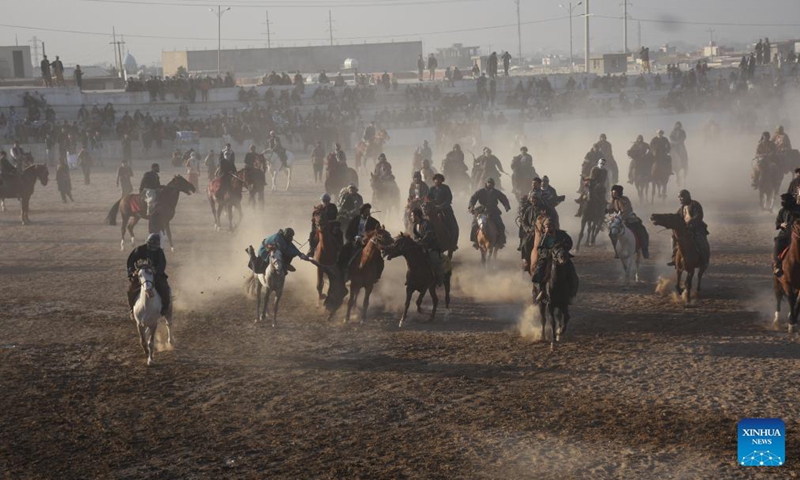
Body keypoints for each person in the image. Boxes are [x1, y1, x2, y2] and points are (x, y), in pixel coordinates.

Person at [532, 217, 575, 302]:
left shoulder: (562, 234)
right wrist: (548, 253)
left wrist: (563, 249)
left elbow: (569, 243)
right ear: (544, 228)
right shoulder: (544, 237)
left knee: (571, 269)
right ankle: (542, 290)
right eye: (547, 226)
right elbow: (540, 249)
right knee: (539, 269)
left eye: (550, 226)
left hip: (561, 256)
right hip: (548, 258)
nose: (549, 228)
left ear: (554, 226)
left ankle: (571, 291)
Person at [126, 233, 171, 316]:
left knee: (165, 289)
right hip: (141, 274)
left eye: (155, 246)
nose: (154, 248)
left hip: (155, 274)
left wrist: (156, 273)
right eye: (152, 245)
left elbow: (162, 264)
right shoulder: (139, 250)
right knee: (130, 290)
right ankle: (132, 308)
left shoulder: (159, 252)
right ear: (148, 243)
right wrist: (131, 273)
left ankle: (165, 308)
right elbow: (130, 261)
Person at [339, 203, 383, 281]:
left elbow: (377, 233)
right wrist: (354, 238)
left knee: (379, 259)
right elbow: (348, 232)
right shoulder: (355, 220)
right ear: (362, 212)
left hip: (368, 244)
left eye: (369, 211)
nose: (368, 213)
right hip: (355, 242)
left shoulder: (374, 222)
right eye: (366, 211)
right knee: (343, 251)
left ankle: (376, 276)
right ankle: (343, 272)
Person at [607, 185, 650, 258]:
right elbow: (611, 209)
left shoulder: (625, 199)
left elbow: (626, 211)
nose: (613, 194)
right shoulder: (613, 201)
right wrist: (607, 210)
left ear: (619, 193)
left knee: (642, 231)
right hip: (619, 221)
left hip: (630, 220)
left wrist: (620, 218)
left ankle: (644, 249)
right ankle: (616, 251)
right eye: (612, 192)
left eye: (614, 192)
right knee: (612, 233)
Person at [668, 190, 709, 267]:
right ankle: (674, 259)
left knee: (701, 241)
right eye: (679, 197)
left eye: (681, 197)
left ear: (687, 196)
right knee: (673, 238)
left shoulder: (695, 204)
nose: (680, 199)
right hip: (685, 230)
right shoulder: (681, 208)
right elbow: (677, 218)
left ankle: (704, 260)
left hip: (696, 229)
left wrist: (690, 223)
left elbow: (699, 215)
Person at [469, 178, 511, 249]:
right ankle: (475, 241)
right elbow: (473, 199)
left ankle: (501, 242)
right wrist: (471, 206)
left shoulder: (497, 192)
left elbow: (503, 198)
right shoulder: (480, 191)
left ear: (493, 184)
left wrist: (506, 206)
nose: (490, 184)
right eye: (489, 182)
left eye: (491, 183)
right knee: (474, 225)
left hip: (493, 211)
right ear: (486, 183)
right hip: (481, 211)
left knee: (500, 225)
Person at [411, 207, 443, 286]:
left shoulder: (427, 224)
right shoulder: (415, 226)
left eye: (412, 216)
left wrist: (420, 242)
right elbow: (415, 237)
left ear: (417, 216)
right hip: (421, 247)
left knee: (434, 260)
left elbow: (429, 236)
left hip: (431, 247)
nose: (411, 218)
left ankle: (439, 278)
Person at [774, 193, 800, 276]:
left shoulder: (798, 209)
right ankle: (777, 265)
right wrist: (781, 225)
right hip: (785, 235)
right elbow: (777, 223)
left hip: (797, 234)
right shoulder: (782, 211)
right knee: (777, 245)